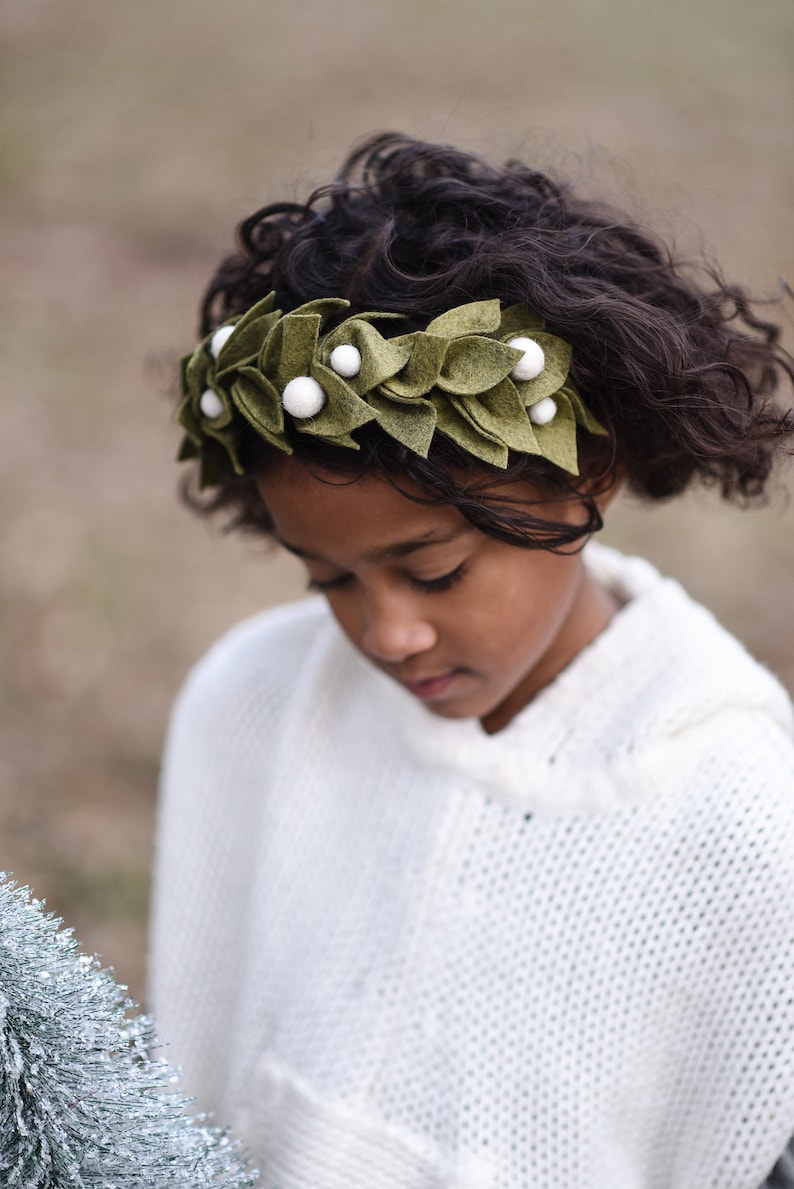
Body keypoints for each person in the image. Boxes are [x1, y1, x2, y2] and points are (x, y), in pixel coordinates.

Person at [150, 133, 794, 1188]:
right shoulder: (248, 703)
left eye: (436, 571)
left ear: (589, 472)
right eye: (328, 580)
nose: (385, 634)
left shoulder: (735, 819)